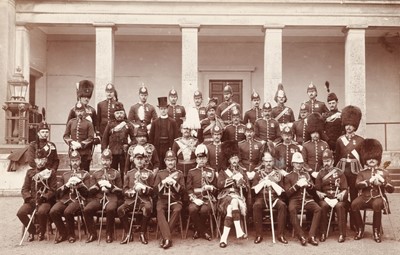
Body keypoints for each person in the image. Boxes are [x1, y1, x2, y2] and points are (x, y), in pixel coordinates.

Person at [351, 139, 394, 243]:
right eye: (369, 158)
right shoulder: (362, 173)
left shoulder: (383, 172)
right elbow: (357, 185)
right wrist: (369, 181)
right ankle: (360, 229)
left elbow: (391, 189)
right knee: (354, 204)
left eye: (374, 158)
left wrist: (383, 182)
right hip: (364, 197)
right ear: (365, 159)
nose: (371, 160)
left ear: (378, 159)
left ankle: (376, 231)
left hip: (377, 197)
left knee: (377, 205)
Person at [49, 150, 90, 244]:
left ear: (80, 161)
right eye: (73, 161)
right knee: (53, 211)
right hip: (65, 199)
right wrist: (67, 185)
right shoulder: (65, 175)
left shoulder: (85, 174)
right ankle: (63, 233)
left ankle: (71, 234)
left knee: (68, 212)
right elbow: (58, 193)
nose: (75, 163)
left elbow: (87, 193)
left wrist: (79, 184)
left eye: (76, 160)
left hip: (78, 200)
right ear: (70, 162)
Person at [17, 149, 57, 242]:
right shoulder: (30, 172)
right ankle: (32, 231)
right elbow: (24, 189)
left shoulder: (51, 172)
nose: (40, 162)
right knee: (21, 213)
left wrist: (44, 197)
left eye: (42, 159)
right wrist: (29, 198)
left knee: (42, 212)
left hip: (45, 201)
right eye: (38, 159)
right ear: (35, 160)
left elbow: (53, 190)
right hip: (32, 200)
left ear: (46, 160)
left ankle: (41, 232)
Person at [334, 105, 363, 231]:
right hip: (343, 171)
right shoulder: (340, 140)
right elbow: (337, 157)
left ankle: (355, 223)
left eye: (351, 125)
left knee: (355, 197)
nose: (349, 127)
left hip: (355, 172)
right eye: (347, 125)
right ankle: (343, 224)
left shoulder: (361, 140)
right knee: (343, 197)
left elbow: (361, 159)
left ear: (355, 126)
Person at [84, 149, 122, 243]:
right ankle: (92, 233)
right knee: (87, 210)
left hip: (111, 198)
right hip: (98, 198)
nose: (105, 162)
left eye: (108, 160)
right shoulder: (96, 174)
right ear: (101, 160)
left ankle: (109, 234)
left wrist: (110, 187)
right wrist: (99, 186)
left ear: (111, 161)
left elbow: (120, 191)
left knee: (110, 209)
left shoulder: (116, 173)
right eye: (104, 160)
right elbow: (90, 191)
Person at [119, 145, 155, 245]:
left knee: (147, 208)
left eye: (141, 159)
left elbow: (153, 190)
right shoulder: (129, 173)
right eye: (137, 159)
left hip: (144, 200)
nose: (139, 161)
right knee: (120, 210)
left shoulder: (150, 173)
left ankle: (142, 233)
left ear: (145, 160)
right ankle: (128, 233)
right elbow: (124, 189)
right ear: (133, 160)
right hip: (131, 200)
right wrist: (129, 192)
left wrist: (144, 189)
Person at [284, 152, 321, 246]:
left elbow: (314, 190)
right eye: (297, 163)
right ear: (293, 164)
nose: (299, 165)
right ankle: (301, 235)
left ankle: (311, 236)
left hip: (307, 199)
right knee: (291, 209)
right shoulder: (288, 176)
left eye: (300, 163)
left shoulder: (307, 175)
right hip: (295, 200)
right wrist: (297, 185)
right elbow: (287, 193)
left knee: (318, 209)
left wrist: (308, 185)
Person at [217, 140, 249, 248]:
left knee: (231, 207)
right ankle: (239, 230)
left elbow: (247, 188)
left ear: (238, 159)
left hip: (237, 197)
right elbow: (219, 185)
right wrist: (231, 179)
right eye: (232, 158)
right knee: (233, 202)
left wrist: (242, 184)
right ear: (229, 160)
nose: (234, 160)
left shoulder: (243, 171)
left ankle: (224, 238)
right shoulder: (223, 172)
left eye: (236, 158)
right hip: (225, 197)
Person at [252, 151, 288, 244]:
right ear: (263, 162)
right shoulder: (258, 174)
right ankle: (259, 235)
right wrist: (262, 183)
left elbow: (282, 190)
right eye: (266, 161)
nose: (268, 163)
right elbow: (254, 189)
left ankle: (280, 235)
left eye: (270, 161)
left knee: (282, 205)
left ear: (273, 162)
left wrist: (272, 183)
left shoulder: (277, 174)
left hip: (274, 198)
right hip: (261, 197)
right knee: (256, 205)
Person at [154, 149, 185, 249]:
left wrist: (174, 183)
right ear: (165, 161)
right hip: (163, 199)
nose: (170, 162)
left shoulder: (180, 174)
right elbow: (155, 190)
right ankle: (168, 238)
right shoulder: (160, 174)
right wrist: (163, 183)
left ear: (175, 161)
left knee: (177, 209)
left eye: (172, 160)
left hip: (175, 199)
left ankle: (165, 237)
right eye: (168, 160)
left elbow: (183, 191)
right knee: (159, 209)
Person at [315, 149, 348, 243]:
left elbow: (345, 189)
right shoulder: (320, 174)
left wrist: (338, 198)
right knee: (323, 206)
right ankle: (323, 233)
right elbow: (317, 190)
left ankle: (342, 234)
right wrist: (324, 197)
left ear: (333, 161)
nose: (326, 163)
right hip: (325, 198)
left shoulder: (340, 173)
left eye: (328, 161)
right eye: (325, 161)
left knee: (340, 206)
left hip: (337, 197)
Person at [186, 144, 216, 241]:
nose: (202, 160)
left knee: (204, 210)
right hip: (195, 198)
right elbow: (189, 188)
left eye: (203, 158)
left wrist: (210, 187)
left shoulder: (211, 171)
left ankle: (197, 230)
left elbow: (216, 188)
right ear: (196, 160)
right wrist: (194, 199)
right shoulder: (191, 172)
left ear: (206, 159)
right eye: (199, 158)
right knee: (192, 209)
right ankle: (204, 231)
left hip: (207, 198)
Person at [101, 101, 136, 181]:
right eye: (117, 113)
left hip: (124, 153)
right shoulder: (110, 125)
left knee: (124, 171)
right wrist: (104, 151)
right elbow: (104, 139)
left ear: (124, 114)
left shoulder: (128, 125)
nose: (119, 115)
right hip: (112, 152)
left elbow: (134, 139)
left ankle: (123, 188)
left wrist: (128, 145)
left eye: (121, 113)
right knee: (113, 171)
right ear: (114, 114)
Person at [149, 97, 179, 170]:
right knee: (159, 164)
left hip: (169, 145)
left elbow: (176, 136)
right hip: (158, 146)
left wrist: (174, 148)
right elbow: (151, 137)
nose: (163, 110)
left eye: (165, 108)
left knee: (169, 163)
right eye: (161, 109)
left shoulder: (172, 122)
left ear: (167, 109)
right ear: (159, 109)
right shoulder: (155, 122)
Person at [63, 101, 94, 171]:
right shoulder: (71, 122)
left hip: (85, 152)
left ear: (84, 111)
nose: (79, 113)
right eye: (78, 111)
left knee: (85, 173)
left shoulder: (89, 123)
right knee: (74, 172)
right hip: (73, 151)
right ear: (75, 111)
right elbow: (65, 136)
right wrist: (72, 142)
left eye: (81, 111)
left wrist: (81, 144)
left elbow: (91, 138)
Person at [302, 113, 329, 178]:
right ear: (310, 133)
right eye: (313, 133)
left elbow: (327, 160)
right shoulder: (306, 145)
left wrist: (321, 171)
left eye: (317, 133)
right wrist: (311, 172)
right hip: (309, 174)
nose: (315, 135)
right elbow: (304, 162)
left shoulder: (325, 144)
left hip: (322, 173)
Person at [322, 83, 342, 152]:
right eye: (329, 103)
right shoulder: (325, 116)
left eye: (333, 103)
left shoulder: (341, 115)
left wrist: (339, 140)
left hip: (339, 143)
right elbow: (322, 130)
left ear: (337, 102)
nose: (331, 105)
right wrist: (328, 140)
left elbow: (344, 130)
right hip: (328, 143)